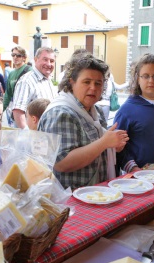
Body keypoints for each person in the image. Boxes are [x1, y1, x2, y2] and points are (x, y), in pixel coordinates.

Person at [38, 53, 129, 189]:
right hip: (70, 201)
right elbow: (61, 163)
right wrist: (104, 143)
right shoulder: (61, 114)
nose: (93, 88)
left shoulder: (95, 111)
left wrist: (113, 146)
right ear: (72, 82)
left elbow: (96, 149)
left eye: (98, 83)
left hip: (94, 194)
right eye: (87, 82)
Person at [11, 47, 57, 129]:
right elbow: (18, 111)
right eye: (45, 60)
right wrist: (28, 136)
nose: (49, 64)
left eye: (52, 61)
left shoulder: (48, 81)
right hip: (34, 138)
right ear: (36, 60)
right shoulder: (26, 81)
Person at [3, 46, 31, 124]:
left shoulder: (29, 71)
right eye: (13, 55)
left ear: (24, 58)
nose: (15, 57)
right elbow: (8, 94)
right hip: (14, 111)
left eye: (18, 55)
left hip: (26, 112)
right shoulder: (11, 73)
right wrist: (3, 110)